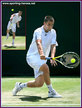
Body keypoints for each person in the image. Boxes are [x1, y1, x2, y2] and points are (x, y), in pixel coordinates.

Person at [12, 16, 62, 98]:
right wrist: (42, 53)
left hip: (42, 60)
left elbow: (53, 45)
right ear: (44, 23)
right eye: (48, 24)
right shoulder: (38, 31)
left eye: (52, 25)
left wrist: (52, 57)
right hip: (32, 57)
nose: (50, 27)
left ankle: (20, 85)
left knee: (39, 83)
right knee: (45, 67)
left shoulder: (53, 32)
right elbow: (39, 43)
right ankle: (51, 91)